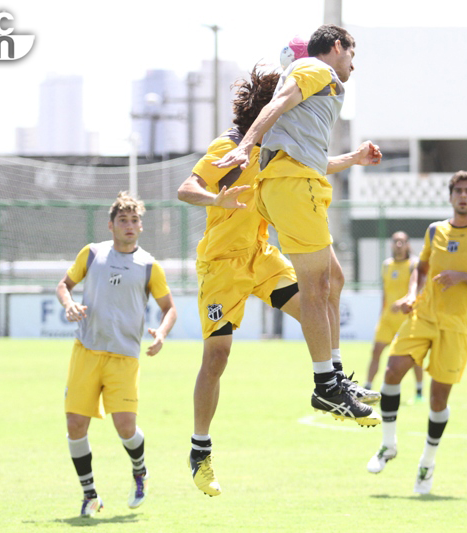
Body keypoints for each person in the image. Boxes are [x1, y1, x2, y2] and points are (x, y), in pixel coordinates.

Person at [177, 64, 381, 497]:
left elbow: (317, 162)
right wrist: (218, 198)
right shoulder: (227, 147)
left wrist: (356, 159)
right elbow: (186, 188)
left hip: (262, 257)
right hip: (222, 267)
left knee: (319, 296)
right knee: (217, 357)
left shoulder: (276, 149)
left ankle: (333, 381)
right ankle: (200, 451)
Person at [213, 25, 383, 427]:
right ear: (336, 46)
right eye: (351, 55)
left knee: (333, 280)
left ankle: (335, 374)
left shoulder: (315, 88)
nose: (353, 65)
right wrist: (244, 145)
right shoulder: (315, 70)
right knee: (316, 285)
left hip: (290, 183)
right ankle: (327, 385)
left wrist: (353, 158)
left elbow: (307, 154)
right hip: (294, 187)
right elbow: (277, 105)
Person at [365, 171, 467, 496]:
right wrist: (413, 294)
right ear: (451, 196)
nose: (463, 196)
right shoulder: (434, 230)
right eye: (459, 191)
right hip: (423, 316)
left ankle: (427, 463)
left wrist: (461, 276)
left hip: (455, 326)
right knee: (392, 371)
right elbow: (421, 270)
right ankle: (388, 445)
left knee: (439, 400)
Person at [55, 192, 177, 517]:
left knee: (125, 427)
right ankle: (90, 495)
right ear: (111, 225)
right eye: (123, 220)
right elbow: (64, 285)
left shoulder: (149, 265)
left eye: (135, 220)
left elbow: (170, 309)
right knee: (75, 425)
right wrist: (69, 305)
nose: (129, 225)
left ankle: (140, 472)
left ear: (140, 226)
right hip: (87, 352)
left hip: (124, 358)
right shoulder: (92, 254)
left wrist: (162, 333)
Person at [364, 231, 424, 403]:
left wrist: (403, 302)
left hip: (407, 318)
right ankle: (367, 389)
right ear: (391, 244)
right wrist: (381, 313)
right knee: (376, 351)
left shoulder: (413, 265)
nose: (399, 245)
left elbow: (418, 291)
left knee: (413, 357)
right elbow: (385, 292)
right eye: (396, 241)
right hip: (387, 319)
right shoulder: (387, 265)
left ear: (408, 244)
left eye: (402, 242)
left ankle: (419, 392)